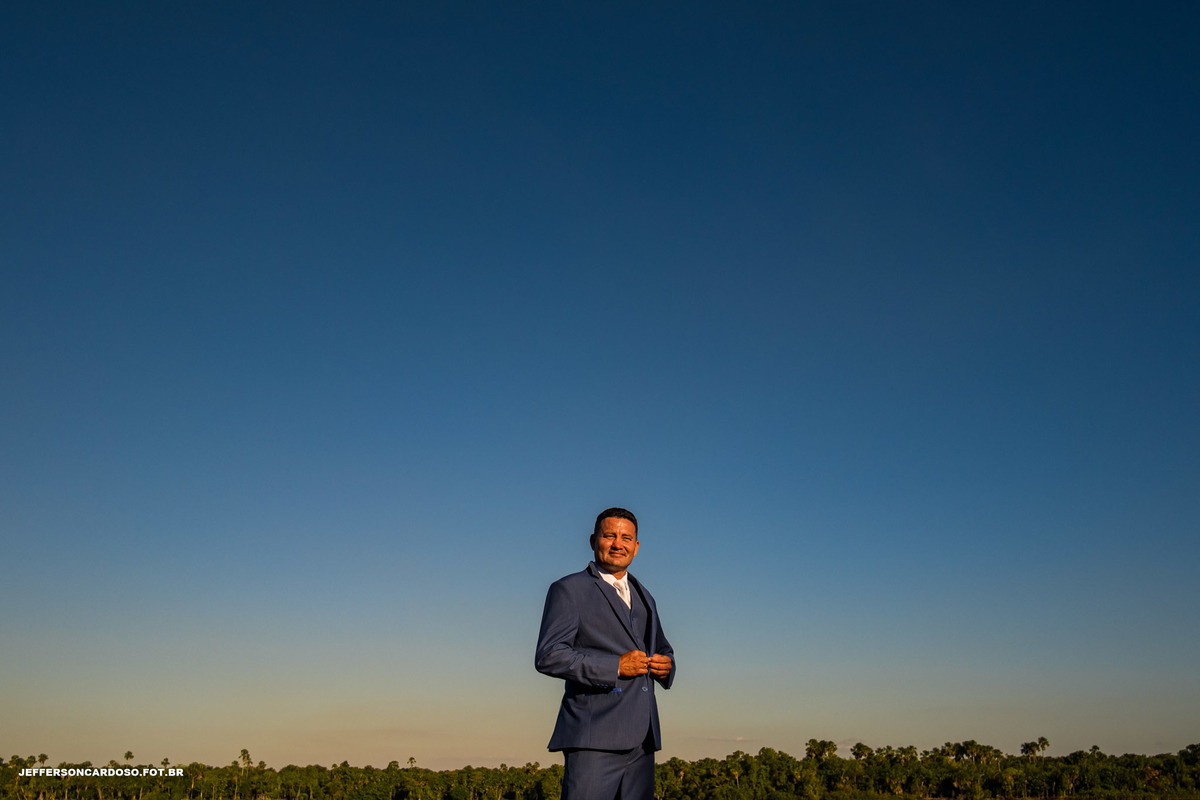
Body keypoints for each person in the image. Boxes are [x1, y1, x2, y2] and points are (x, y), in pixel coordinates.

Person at [535, 507, 676, 800]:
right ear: (593, 540)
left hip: (643, 741)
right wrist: (615, 667)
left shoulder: (645, 595)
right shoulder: (568, 589)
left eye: (626, 538)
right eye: (609, 535)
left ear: (636, 547)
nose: (618, 543)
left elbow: (662, 647)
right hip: (593, 738)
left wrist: (667, 666)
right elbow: (549, 654)